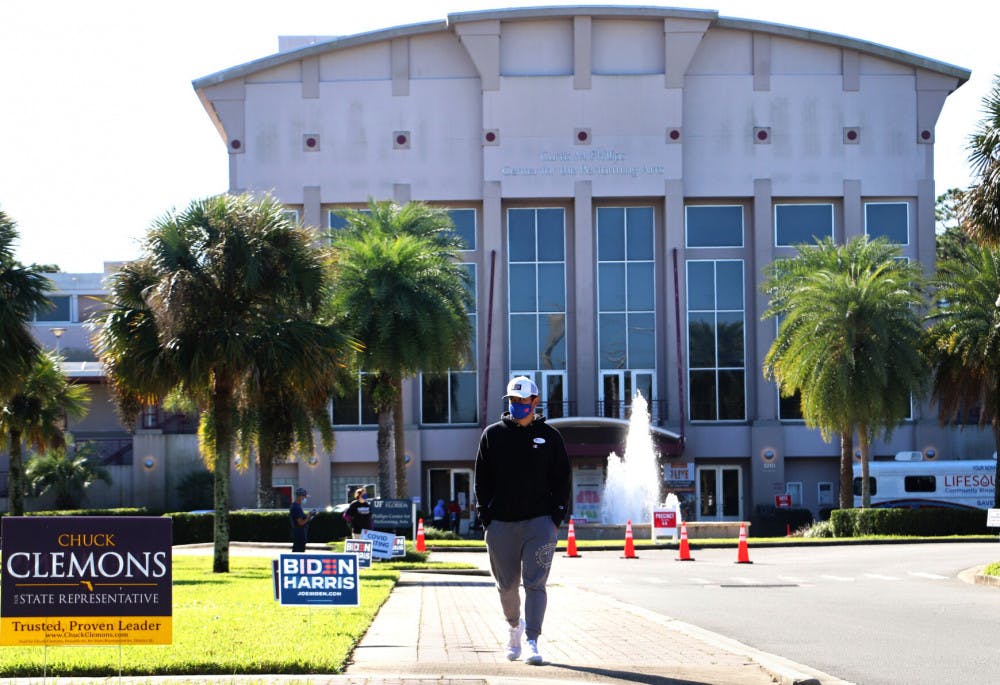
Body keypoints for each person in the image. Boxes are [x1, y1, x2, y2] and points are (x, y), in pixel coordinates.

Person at [474, 375, 570, 666]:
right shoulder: (492, 435)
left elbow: (563, 479)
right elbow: (482, 480)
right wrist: (486, 517)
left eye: (522, 401)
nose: (517, 405)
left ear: (535, 402)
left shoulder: (550, 437)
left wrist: (556, 517)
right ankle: (514, 627)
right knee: (507, 586)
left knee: (536, 584)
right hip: (501, 524)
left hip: (540, 523)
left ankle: (532, 640)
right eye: (512, 401)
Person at [289, 487, 316, 553]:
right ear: (300, 496)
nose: (305, 499)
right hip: (299, 534)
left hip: (299, 533)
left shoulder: (296, 506)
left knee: (298, 551)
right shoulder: (296, 507)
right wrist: (309, 516)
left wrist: (309, 515)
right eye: (304, 497)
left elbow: (301, 518)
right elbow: (300, 523)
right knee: (298, 553)